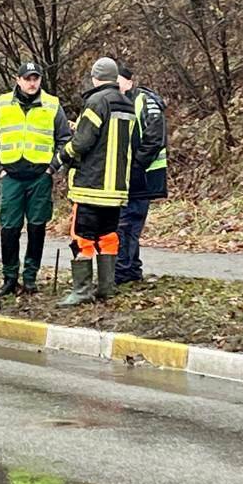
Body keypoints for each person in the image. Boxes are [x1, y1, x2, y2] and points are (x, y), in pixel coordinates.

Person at [0, 61, 73, 298]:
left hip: (39, 177)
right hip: (11, 176)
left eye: (36, 78)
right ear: (18, 79)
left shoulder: (52, 105)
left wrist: (52, 167)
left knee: (37, 228)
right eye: (28, 78)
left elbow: (64, 139)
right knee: (9, 229)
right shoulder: (3, 104)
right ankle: (9, 278)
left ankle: (30, 278)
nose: (32, 83)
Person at [55, 57, 136, 306]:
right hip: (116, 188)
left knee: (82, 236)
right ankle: (106, 287)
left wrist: (61, 157)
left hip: (91, 185)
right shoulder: (128, 104)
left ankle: (81, 291)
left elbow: (82, 141)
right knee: (109, 235)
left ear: (95, 78)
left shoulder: (95, 101)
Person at [115, 63, 168, 284]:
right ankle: (131, 269)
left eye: (118, 82)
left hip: (143, 176)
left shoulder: (144, 101)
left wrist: (136, 166)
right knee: (127, 224)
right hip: (134, 175)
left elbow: (155, 137)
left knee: (128, 224)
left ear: (129, 81)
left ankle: (125, 271)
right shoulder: (124, 101)